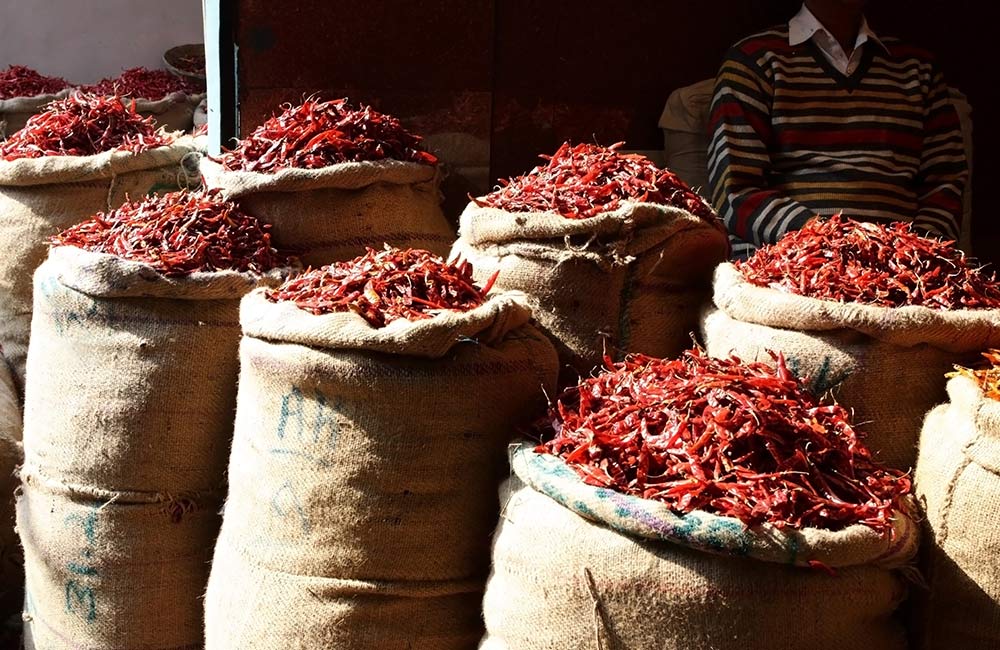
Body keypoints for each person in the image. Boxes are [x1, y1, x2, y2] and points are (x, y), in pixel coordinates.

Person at [707, 0, 968, 259]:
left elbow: (945, 183)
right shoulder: (753, 61)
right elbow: (736, 193)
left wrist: (914, 254)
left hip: (903, 269)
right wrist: (831, 242)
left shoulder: (918, 69)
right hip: (789, 265)